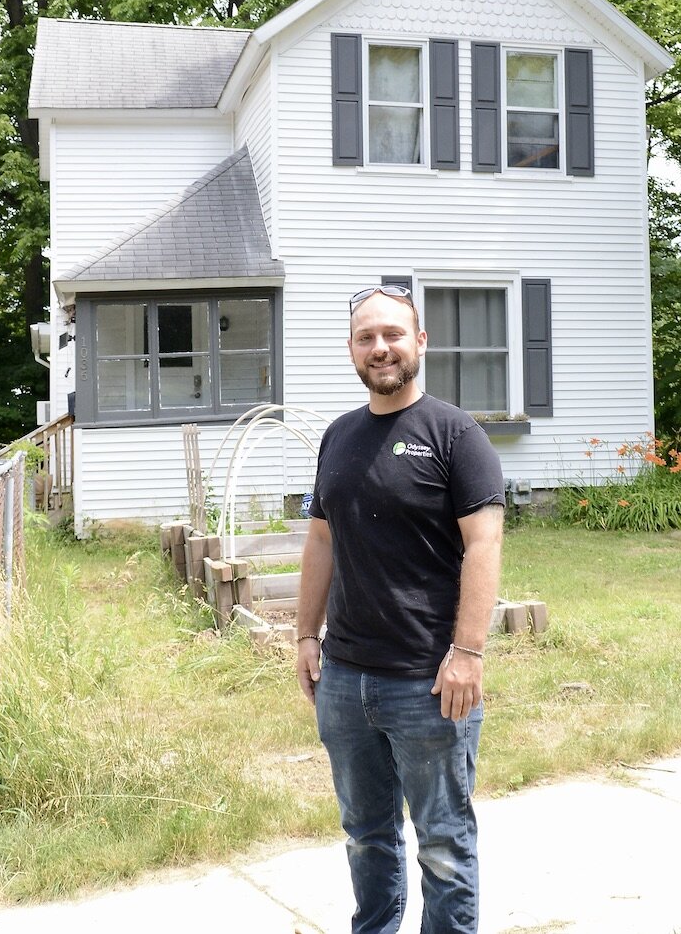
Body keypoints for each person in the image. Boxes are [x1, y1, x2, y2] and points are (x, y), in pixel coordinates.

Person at [296, 283, 506, 934]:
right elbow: (321, 540)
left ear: (420, 341)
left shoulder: (454, 434)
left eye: (392, 334)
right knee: (365, 836)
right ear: (352, 350)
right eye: (366, 337)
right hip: (346, 680)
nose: (379, 347)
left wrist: (467, 652)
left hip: (429, 683)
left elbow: (485, 543)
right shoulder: (339, 436)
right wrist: (305, 635)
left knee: (442, 844)